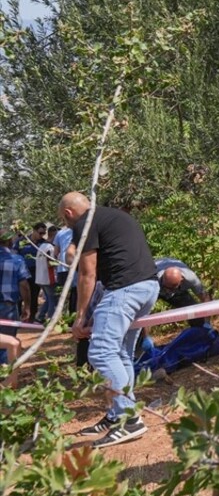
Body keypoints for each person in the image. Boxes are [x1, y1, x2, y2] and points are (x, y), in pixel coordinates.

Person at [58, 192, 160, 448]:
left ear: (68, 214)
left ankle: (129, 419)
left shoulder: (86, 222)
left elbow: (87, 274)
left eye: (64, 219)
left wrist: (81, 316)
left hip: (124, 290)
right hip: (147, 287)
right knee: (121, 353)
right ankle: (118, 415)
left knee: (102, 353)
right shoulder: (112, 215)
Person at [0, 230, 31, 365]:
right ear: (9, 241)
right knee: (7, 340)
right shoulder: (17, 259)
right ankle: (5, 376)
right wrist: (27, 306)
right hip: (8, 306)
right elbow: (23, 285)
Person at [34, 225, 58, 324]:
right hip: (48, 278)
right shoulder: (50, 248)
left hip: (40, 278)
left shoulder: (42, 246)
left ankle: (40, 316)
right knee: (53, 299)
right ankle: (51, 320)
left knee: (49, 298)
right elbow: (50, 263)